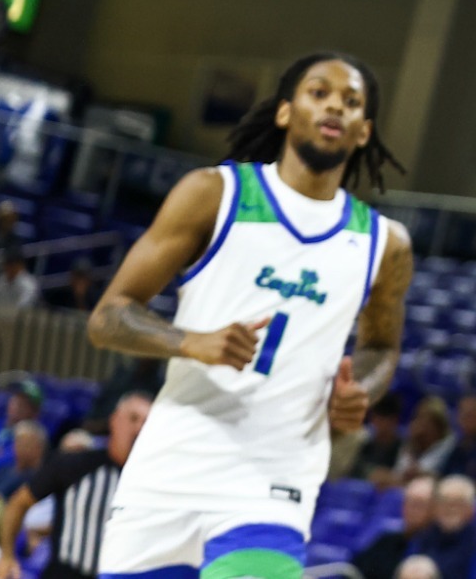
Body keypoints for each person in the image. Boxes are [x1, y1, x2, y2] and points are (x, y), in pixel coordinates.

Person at [86, 52, 414, 579]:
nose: (336, 106)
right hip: (171, 465)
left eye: (352, 102)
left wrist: (362, 393)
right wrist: (190, 341)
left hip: (274, 480)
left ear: (363, 131)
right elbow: (107, 318)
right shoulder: (213, 194)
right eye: (320, 92)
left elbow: (381, 346)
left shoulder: (385, 243)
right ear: (285, 112)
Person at [0, 393, 148, 579]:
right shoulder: (75, 465)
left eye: (147, 422)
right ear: (114, 420)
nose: (139, 428)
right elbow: (18, 503)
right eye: (133, 418)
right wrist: (8, 556)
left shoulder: (152, 481)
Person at [405, 475, 476, 579]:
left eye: (457, 503)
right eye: (444, 501)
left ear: (471, 510)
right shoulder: (424, 535)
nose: (450, 509)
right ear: (435, 506)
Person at [353, 476, 434, 579]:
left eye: (419, 504)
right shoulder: (387, 540)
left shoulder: (438, 549)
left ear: (433, 509)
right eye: (408, 502)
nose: (412, 509)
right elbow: (354, 571)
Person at [396, 396, 455, 482]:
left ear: (438, 426)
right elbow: (400, 472)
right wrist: (413, 443)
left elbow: (427, 471)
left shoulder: (448, 444)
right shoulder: (411, 442)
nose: (421, 425)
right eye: (419, 418)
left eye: (428, 421)